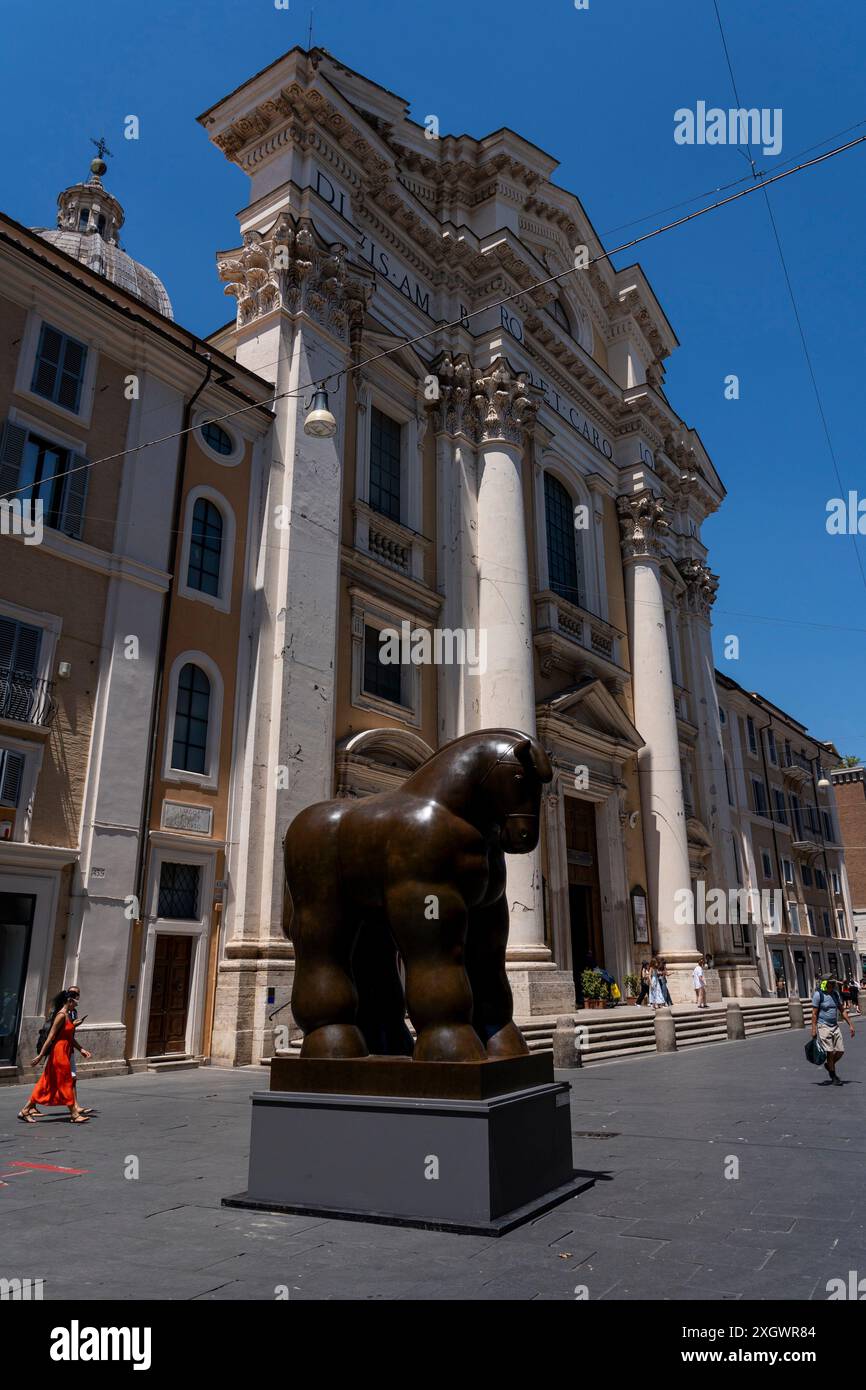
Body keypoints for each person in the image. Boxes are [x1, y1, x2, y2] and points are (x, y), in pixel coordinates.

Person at [18, 988, 92, 1123]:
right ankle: (74, 1114)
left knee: (47, 1082)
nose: (76, 1005)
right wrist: (40, 1056)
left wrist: (81, 1048)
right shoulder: (61, 1015)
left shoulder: (68, 1015)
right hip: (59, 1053)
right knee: (66, 1081)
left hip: (65, 1050)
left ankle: (26, 1110)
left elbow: (68, 1035)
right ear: (69, 1001)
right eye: (75, 1002)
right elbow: (51, 1037)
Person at [811, 973, 854, 1087]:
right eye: (831, 983)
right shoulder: (818, 995)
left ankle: (830, 1065)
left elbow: (842, 1009)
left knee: (840, 1051)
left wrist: (850, 1024)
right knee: (830, 1052)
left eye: (833, 983)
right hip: (823, 1026)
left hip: (834, 1026)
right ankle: (833, 1075)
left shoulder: (835, 994)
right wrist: (814, 1029)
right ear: (825, 983)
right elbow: (814, 1014)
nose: (833, 984)